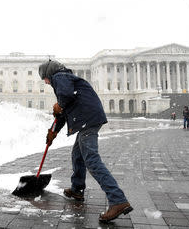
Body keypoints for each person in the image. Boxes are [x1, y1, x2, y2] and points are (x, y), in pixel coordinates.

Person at [38, 60, 133, 223]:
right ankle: (77, 189)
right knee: (78, 155)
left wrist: (59, 104)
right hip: (87, 119)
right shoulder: (64, 80)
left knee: (92, 160)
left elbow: (65, 99)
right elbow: (63, 111)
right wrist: (52, 132)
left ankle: (118, 200)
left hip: (87, 120)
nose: (45, 82)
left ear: (49, 74)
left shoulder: (60, 76)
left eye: (45, 78)